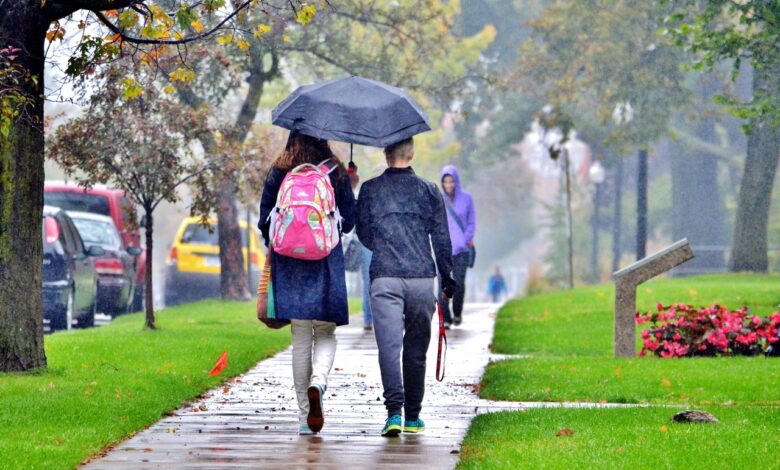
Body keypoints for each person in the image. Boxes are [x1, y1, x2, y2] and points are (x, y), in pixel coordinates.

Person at [356, 137, 456, 437]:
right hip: (421, 280)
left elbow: (363, 233)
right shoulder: (429, 190)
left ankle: (393, 414)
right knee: (416, 349)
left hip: (385, 277)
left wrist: (384, 245)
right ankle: (413, 417)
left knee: (389, 347)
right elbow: (441, 238)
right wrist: (448, 278)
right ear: (411, 153)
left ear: (386, 153)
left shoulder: (370, 189)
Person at [258, 131, 356, 435]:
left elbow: (264, 221)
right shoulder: (335, 170)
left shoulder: (280, 169)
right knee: (325, 331)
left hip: (289, 264)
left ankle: (304, 417)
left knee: (301, 337)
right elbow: (350, 222)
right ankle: (319, 382)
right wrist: (348, 186)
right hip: (326, 260)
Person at [438, 165, 476, 327]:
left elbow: (471, 222)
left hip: (461, 250)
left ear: (456, 181)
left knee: (459, 283)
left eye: (451, 181)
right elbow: (435, 222)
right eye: (445, 182)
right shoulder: (439, 199)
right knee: (443, 285)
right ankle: (445, 318)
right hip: (443, 250)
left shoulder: (466, 199)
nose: (448, 185)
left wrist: (465, 240)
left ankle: (457, 312)